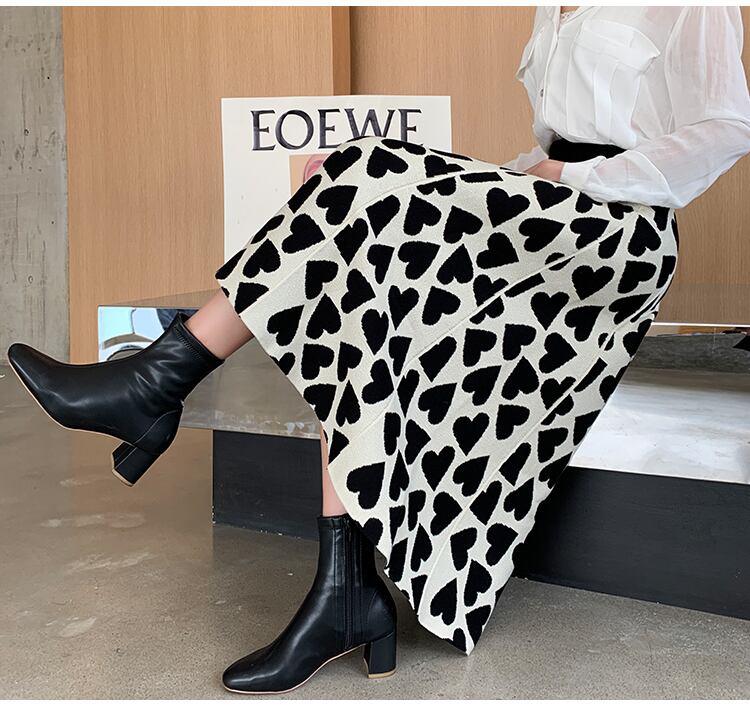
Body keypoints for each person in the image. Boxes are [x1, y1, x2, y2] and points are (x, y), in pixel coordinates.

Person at [7, 5, 750, 696]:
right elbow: (551, 151)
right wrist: (518, 177)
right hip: (549, 210)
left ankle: (154, 386)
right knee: (351, 231)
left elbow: (726, 127)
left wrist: (574, 177)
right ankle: (344, 589)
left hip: (615, 240)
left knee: (363, 175)